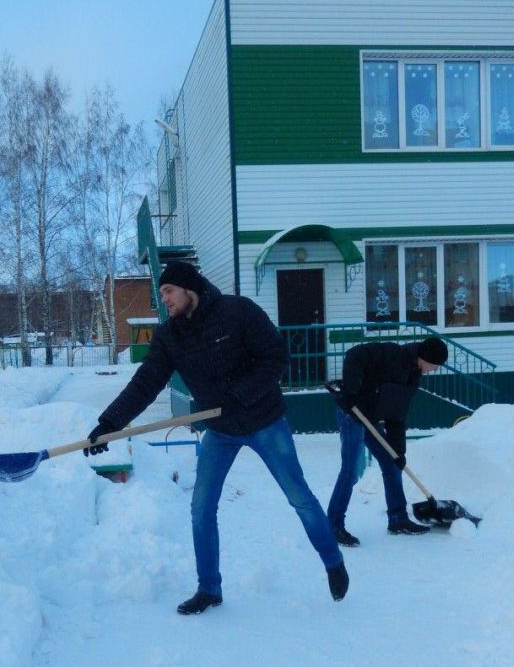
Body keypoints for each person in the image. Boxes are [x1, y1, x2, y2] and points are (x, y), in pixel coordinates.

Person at [85, 261, 349, 613]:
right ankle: (209, 588)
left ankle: (332, 561)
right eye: (161, 293)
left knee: (298, 496)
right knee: (201, 508)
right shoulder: (170, 336)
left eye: (168, 291)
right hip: (221, 431)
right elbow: (146, 381)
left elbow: (276, 357)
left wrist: (241, 394)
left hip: (264, 420)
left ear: (189, 288)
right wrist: (110, 423)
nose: (163, 299)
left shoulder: (237, 312)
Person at [327, 336, 449, 545]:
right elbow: (354, 355)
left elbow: (397, 415)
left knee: (392, 464)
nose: (436, 369)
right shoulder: (393, 354)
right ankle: (333, 527)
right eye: (435, 364)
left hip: (370, 416)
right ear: (425, 357)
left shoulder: (413, 376)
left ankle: (398, 519)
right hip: (352, 411)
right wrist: (352, 390)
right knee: (351, 470)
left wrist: (398, 452)